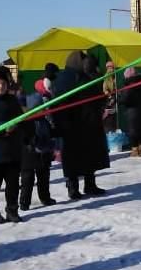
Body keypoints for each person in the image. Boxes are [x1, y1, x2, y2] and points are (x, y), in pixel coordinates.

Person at [53, 51, 110, 199]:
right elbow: (60, 102)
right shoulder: (65, 78)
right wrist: (62, 124)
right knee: (73, 157)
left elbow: (93, 95)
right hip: (72, 125)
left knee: (90, 155)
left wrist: (101, 99)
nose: (86, 63)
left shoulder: (86, 76)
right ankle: (73, 187)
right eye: (83, 60)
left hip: (88, 124)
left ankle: (90, 185)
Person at [0, 65, 25, 223]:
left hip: (12, 151)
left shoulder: (12, 100)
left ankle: (12, 210)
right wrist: (2, 128)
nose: (1, 86)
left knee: (13, 185)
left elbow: (20, 118)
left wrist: (19, 127)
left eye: (3, 83)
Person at [19, 78, 57, 210]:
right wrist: (30, 140)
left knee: (44, 176)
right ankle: (24, 202)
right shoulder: (26, 122)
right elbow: (23, 136)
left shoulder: (44, 121)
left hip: (44, 151)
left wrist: (51, 143)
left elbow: (50, 132)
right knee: (27, 179)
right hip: (29, 153)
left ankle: (45, 197)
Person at [118, 67, 141, 157]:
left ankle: (135, 150)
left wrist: (119, 98)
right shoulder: (140, 83)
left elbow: (125, 99)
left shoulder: (129, 86)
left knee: (133, 131)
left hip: (132, 111)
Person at [102, 60, 118, 134]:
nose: (110, 69)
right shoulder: (106, 76)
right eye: (108, 67)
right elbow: (105, 89)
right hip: (110, 99)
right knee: (110, 117)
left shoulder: (116, 75)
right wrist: (110, 97)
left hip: (116, 98)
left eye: (111, 67)